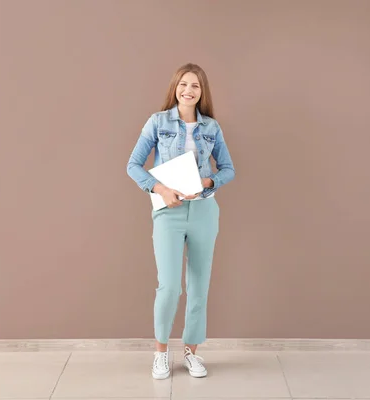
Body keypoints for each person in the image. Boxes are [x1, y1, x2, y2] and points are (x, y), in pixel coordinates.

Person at [126, 63, 235, 379]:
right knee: (170, 286)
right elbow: (134, 165)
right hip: (167, 212)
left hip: (203, 211)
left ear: (202, 93)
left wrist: (209, 182)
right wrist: (159, 188)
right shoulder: (158, 123)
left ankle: (192, 352)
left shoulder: (211, 128)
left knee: (199, 287)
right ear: (175, 87)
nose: (189, 90)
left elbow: (228, 168)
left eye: (196, 86)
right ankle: (161, 353)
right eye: (184, 84)